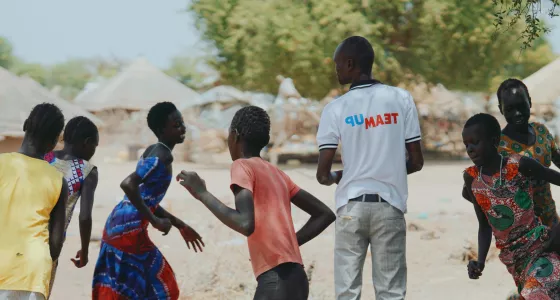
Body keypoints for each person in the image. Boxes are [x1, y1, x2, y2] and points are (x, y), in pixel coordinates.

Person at [176, 105, 336, 300]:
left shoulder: (241, 166)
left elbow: (245, 223)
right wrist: (289, 245)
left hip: (275, 280)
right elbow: (324, 214)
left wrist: (202, 193)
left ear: (234, 136)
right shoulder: (275, 172)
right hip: (297, 279)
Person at [316, 36, 424, 300]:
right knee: (391, 293)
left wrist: (337, 176)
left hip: (351, 209)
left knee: (347, 293)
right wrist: (389, 168)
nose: (336, 70)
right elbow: (417, 161)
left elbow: (322, 174)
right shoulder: (401, 99)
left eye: (338, 64)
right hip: (389, 208)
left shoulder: (335, 109)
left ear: (350, 64)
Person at [92, 102, 204, 300]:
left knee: (136, 287)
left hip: (122, 225)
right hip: (128, 228)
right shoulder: (162, 155)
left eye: (182, 123)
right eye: (176, 125)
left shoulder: (153, 150)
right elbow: (128, 184)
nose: (183, 128)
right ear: (162, 130)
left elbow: (146, 199)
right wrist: (154, 220)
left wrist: (180, 225)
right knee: (161, 287)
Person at [462, 113, 560, 299]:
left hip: (541, 247)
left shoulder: (518, 165)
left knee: (535, 293)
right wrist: (480, 262)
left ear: (493, 140)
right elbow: (484, 226)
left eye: (475, 142)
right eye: (466, 144)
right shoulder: (472, 179)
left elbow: (553, 176)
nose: (470, 149)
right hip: (514, 261)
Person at [0, 103, 68, 300]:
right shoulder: (57, 180)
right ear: (55, 141)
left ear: (25, 125)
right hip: (31, 272)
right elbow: (56, 244)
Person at [43, 116, 100, 296]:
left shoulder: (45, 158)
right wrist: (84, 249)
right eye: (95, 146)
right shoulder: (87, 170)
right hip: (52, 241)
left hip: (25, 232)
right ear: (87, 142)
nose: (94, 151)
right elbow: (84, 216)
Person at [497, 78, 560, 227]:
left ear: (529, 102)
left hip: (550, 218)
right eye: (510, 109)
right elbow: (542, 173)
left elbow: (557, 157)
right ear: (501, 109)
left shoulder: (541, 131)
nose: (517, 113)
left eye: (521, 106)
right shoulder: (500, 146)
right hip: (524, 228)